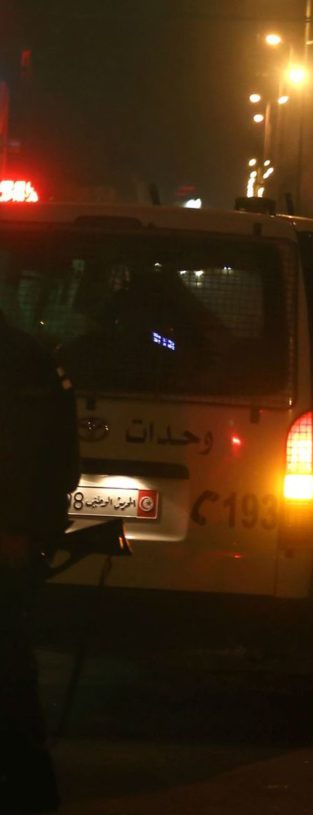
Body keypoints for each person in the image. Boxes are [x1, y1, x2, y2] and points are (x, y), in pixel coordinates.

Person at [0, 311, 80, 813]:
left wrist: (20, 530)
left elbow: (45, 459)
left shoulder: (24, 363)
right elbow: (60, 463)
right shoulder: (33, 359)